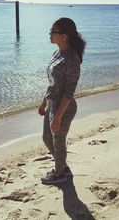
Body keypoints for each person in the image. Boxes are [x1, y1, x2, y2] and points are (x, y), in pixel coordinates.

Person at [38, 17, 86, 185]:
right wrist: (44, 101)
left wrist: (58, 117)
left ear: (64, 36)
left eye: (53, 31)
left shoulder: (71, 58)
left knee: (58, 142)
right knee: (47, 138)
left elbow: (69, 91)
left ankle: (60, 174)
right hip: (52, 103)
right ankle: (62, 166)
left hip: (64, 107)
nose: (50, 34)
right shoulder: (58, 52)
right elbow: (53, 82)